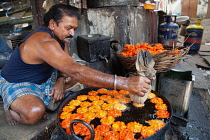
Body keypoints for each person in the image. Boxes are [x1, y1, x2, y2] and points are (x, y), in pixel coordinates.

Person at [0, 4, 151, 125]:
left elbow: (68, 65)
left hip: (44, 78)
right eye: (68, 28)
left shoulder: (60, 38)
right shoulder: (42, 41)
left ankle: (43, 99)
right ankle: (12, 109)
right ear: (52, 24)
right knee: (34, 112)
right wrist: (125, 83)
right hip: (18, 82)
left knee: (77, 78)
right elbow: (75, 70)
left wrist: (60, 80)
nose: (72, 33)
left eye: (74, 29)